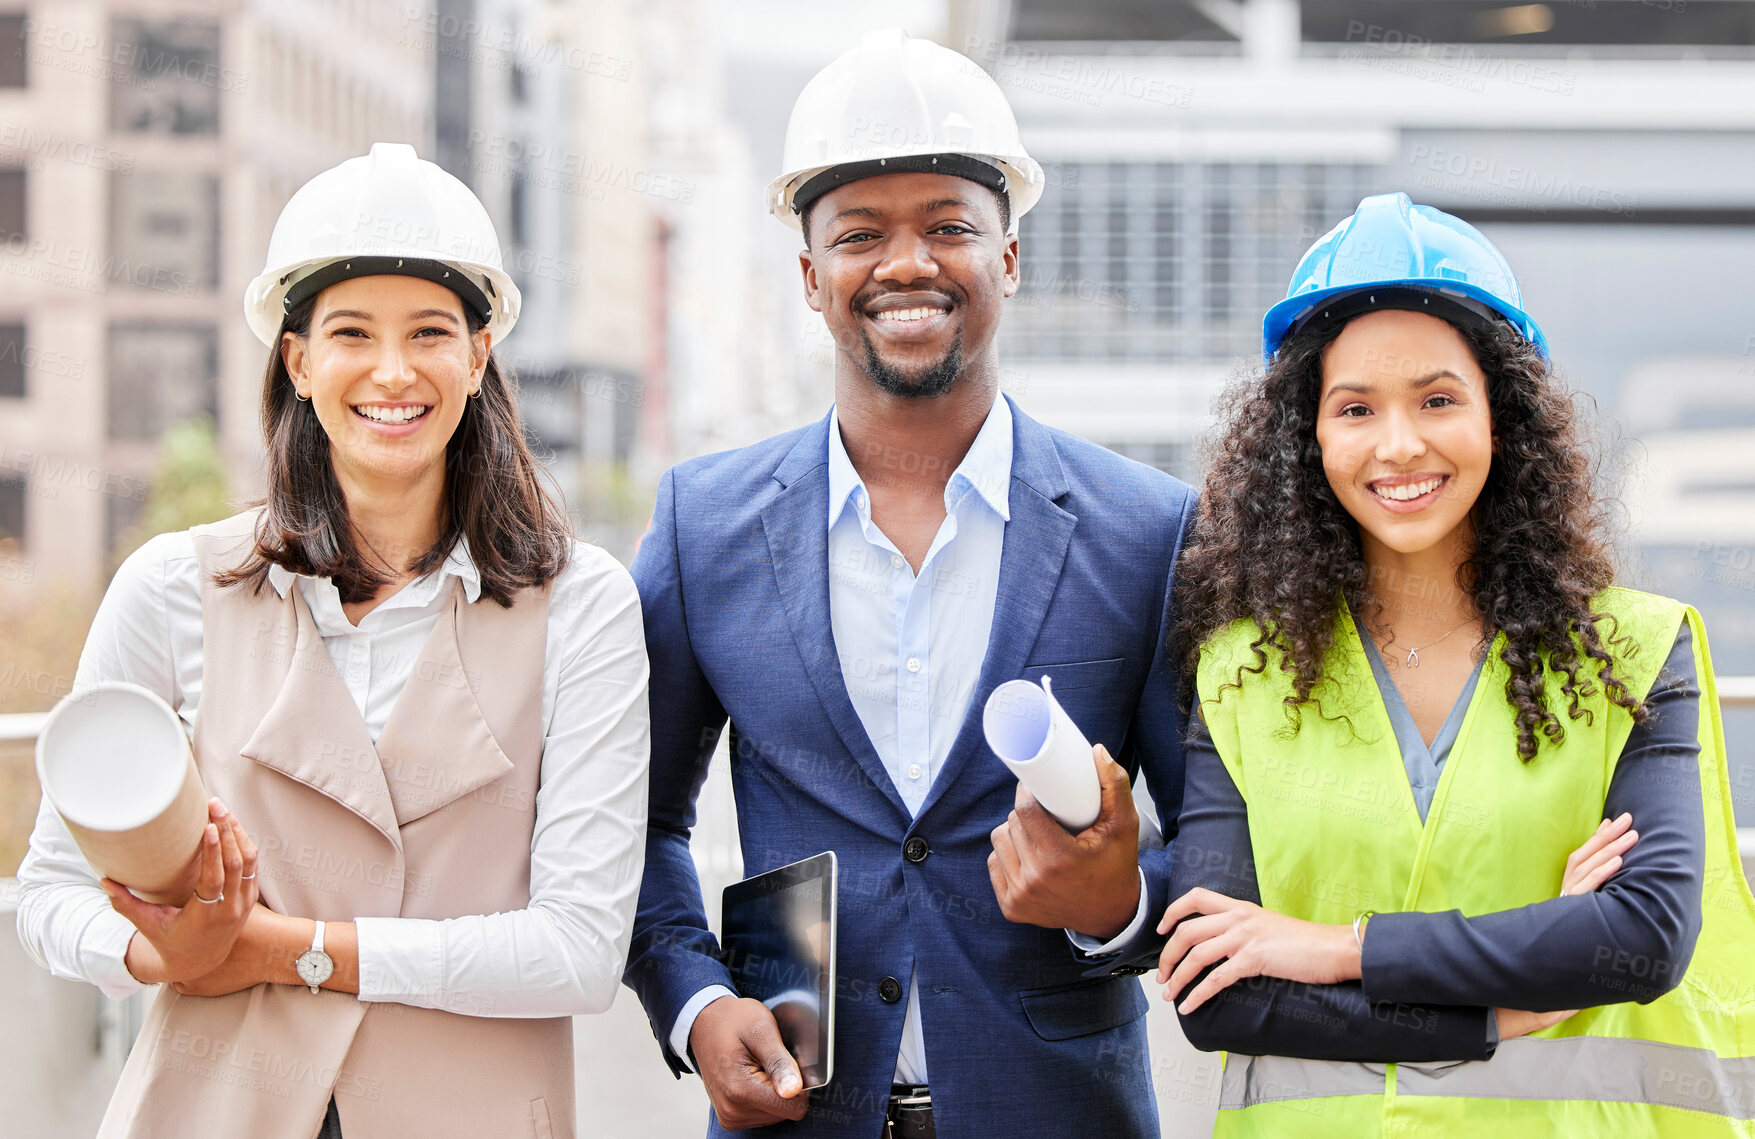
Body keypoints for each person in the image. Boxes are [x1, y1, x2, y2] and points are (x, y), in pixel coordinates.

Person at [621, 29, 1195, 1139]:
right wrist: (695, 1000)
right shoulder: (705, 526)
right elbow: (633, 824)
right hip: (797, 1115)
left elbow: (1223, 846)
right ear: (809, 275)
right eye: (859, 235)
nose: (907, 264)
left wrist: (1119, 901)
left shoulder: (1147, 530)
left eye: (948, 227)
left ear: (1011, 256)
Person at [14, 143, 651, 1139]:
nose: (392, 371)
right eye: (351, 332)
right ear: (299, 360)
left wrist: (293, 949)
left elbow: (578, 947)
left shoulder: (585, 605)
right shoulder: (173, 587)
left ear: (478, 356)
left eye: (431, 333)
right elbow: (50, 890)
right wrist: (160, 955)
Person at [1157, 191, 1755, 1136]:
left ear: (1501, 417)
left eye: (1437, 398)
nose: (1398, 444)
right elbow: (1219, 994)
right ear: (1306, 440)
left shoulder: (1636, 650)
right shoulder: (1238, 676)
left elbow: (1637, 939)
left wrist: (1332, 947)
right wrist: (1501, 1006)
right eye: (1355, 407)